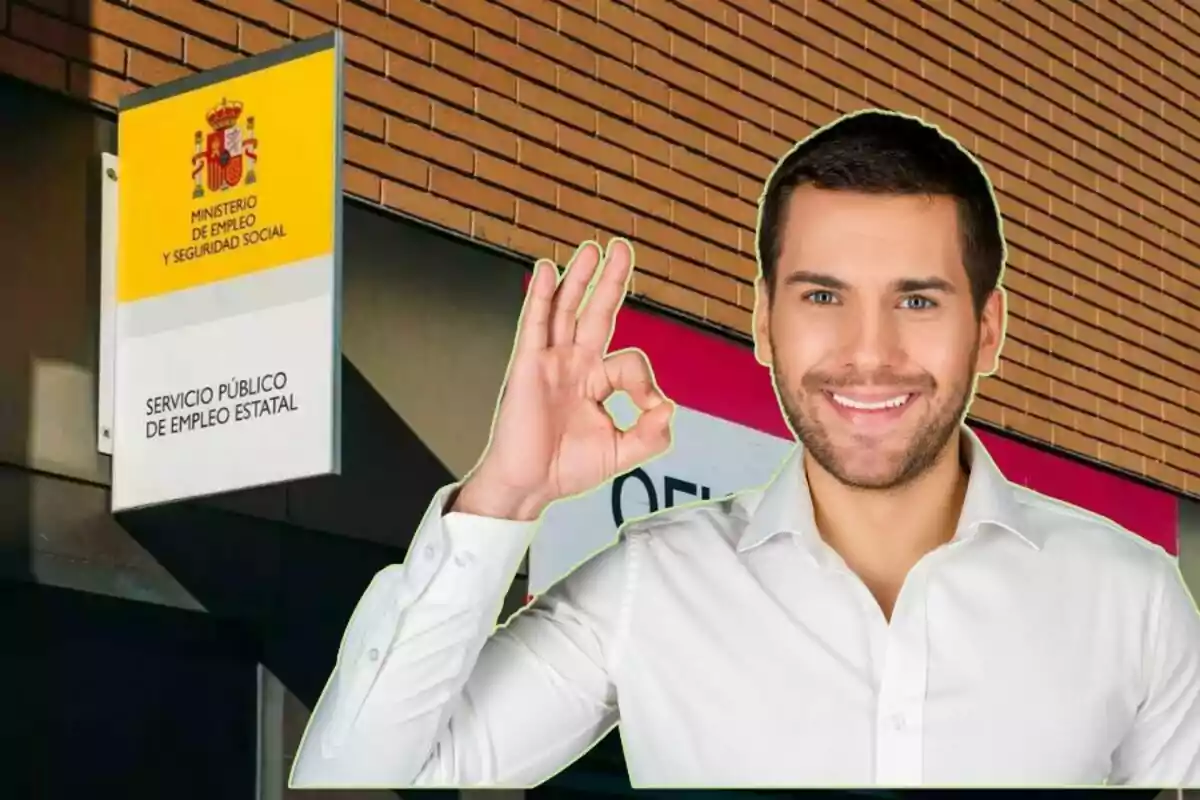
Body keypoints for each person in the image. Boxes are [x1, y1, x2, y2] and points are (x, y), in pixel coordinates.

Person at [289, 110, 1200, 789]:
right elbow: (366, 776)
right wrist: (504, 496)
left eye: (917, 300)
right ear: (763, 324)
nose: (869, 351)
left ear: (989, 330)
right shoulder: (653, 583)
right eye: (822, 297)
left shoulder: (1134, 596)